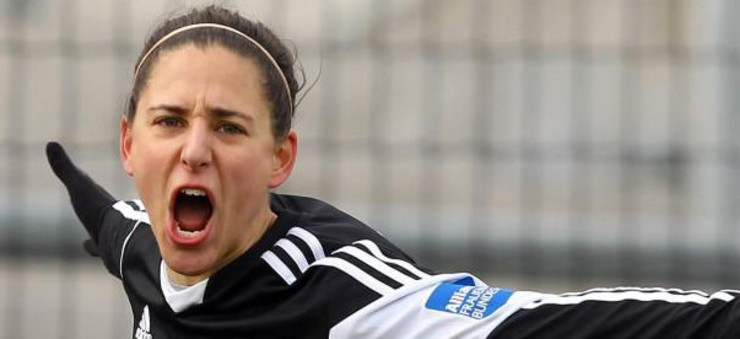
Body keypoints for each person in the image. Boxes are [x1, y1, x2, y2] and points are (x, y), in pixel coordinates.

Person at [47, 5, 740, 339]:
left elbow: (562, 325)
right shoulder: (147, 246)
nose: (195, 149)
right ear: (129, 145)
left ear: (280, 157)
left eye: (229, 127)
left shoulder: (349, 301)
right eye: (170, 121)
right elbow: (125, 232)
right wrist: (105, 223)